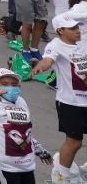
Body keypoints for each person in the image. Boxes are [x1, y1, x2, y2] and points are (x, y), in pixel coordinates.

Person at [25, 13, 87, 177]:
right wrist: (40, 67)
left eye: (77, 27)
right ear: (60, 30)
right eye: (72, 28)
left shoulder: (83, 43)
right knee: (74, 142)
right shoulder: (56, 45)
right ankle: (61, 175)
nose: (77, 31)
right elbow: (48, 60)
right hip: (71, 102)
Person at [0, 67, 51, 183]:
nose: (10, 87)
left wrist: (39, 149)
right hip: (3, 164)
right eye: (5, 84)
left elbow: (24, 131)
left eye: (14, 84)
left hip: (26, 163)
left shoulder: (21, 102)